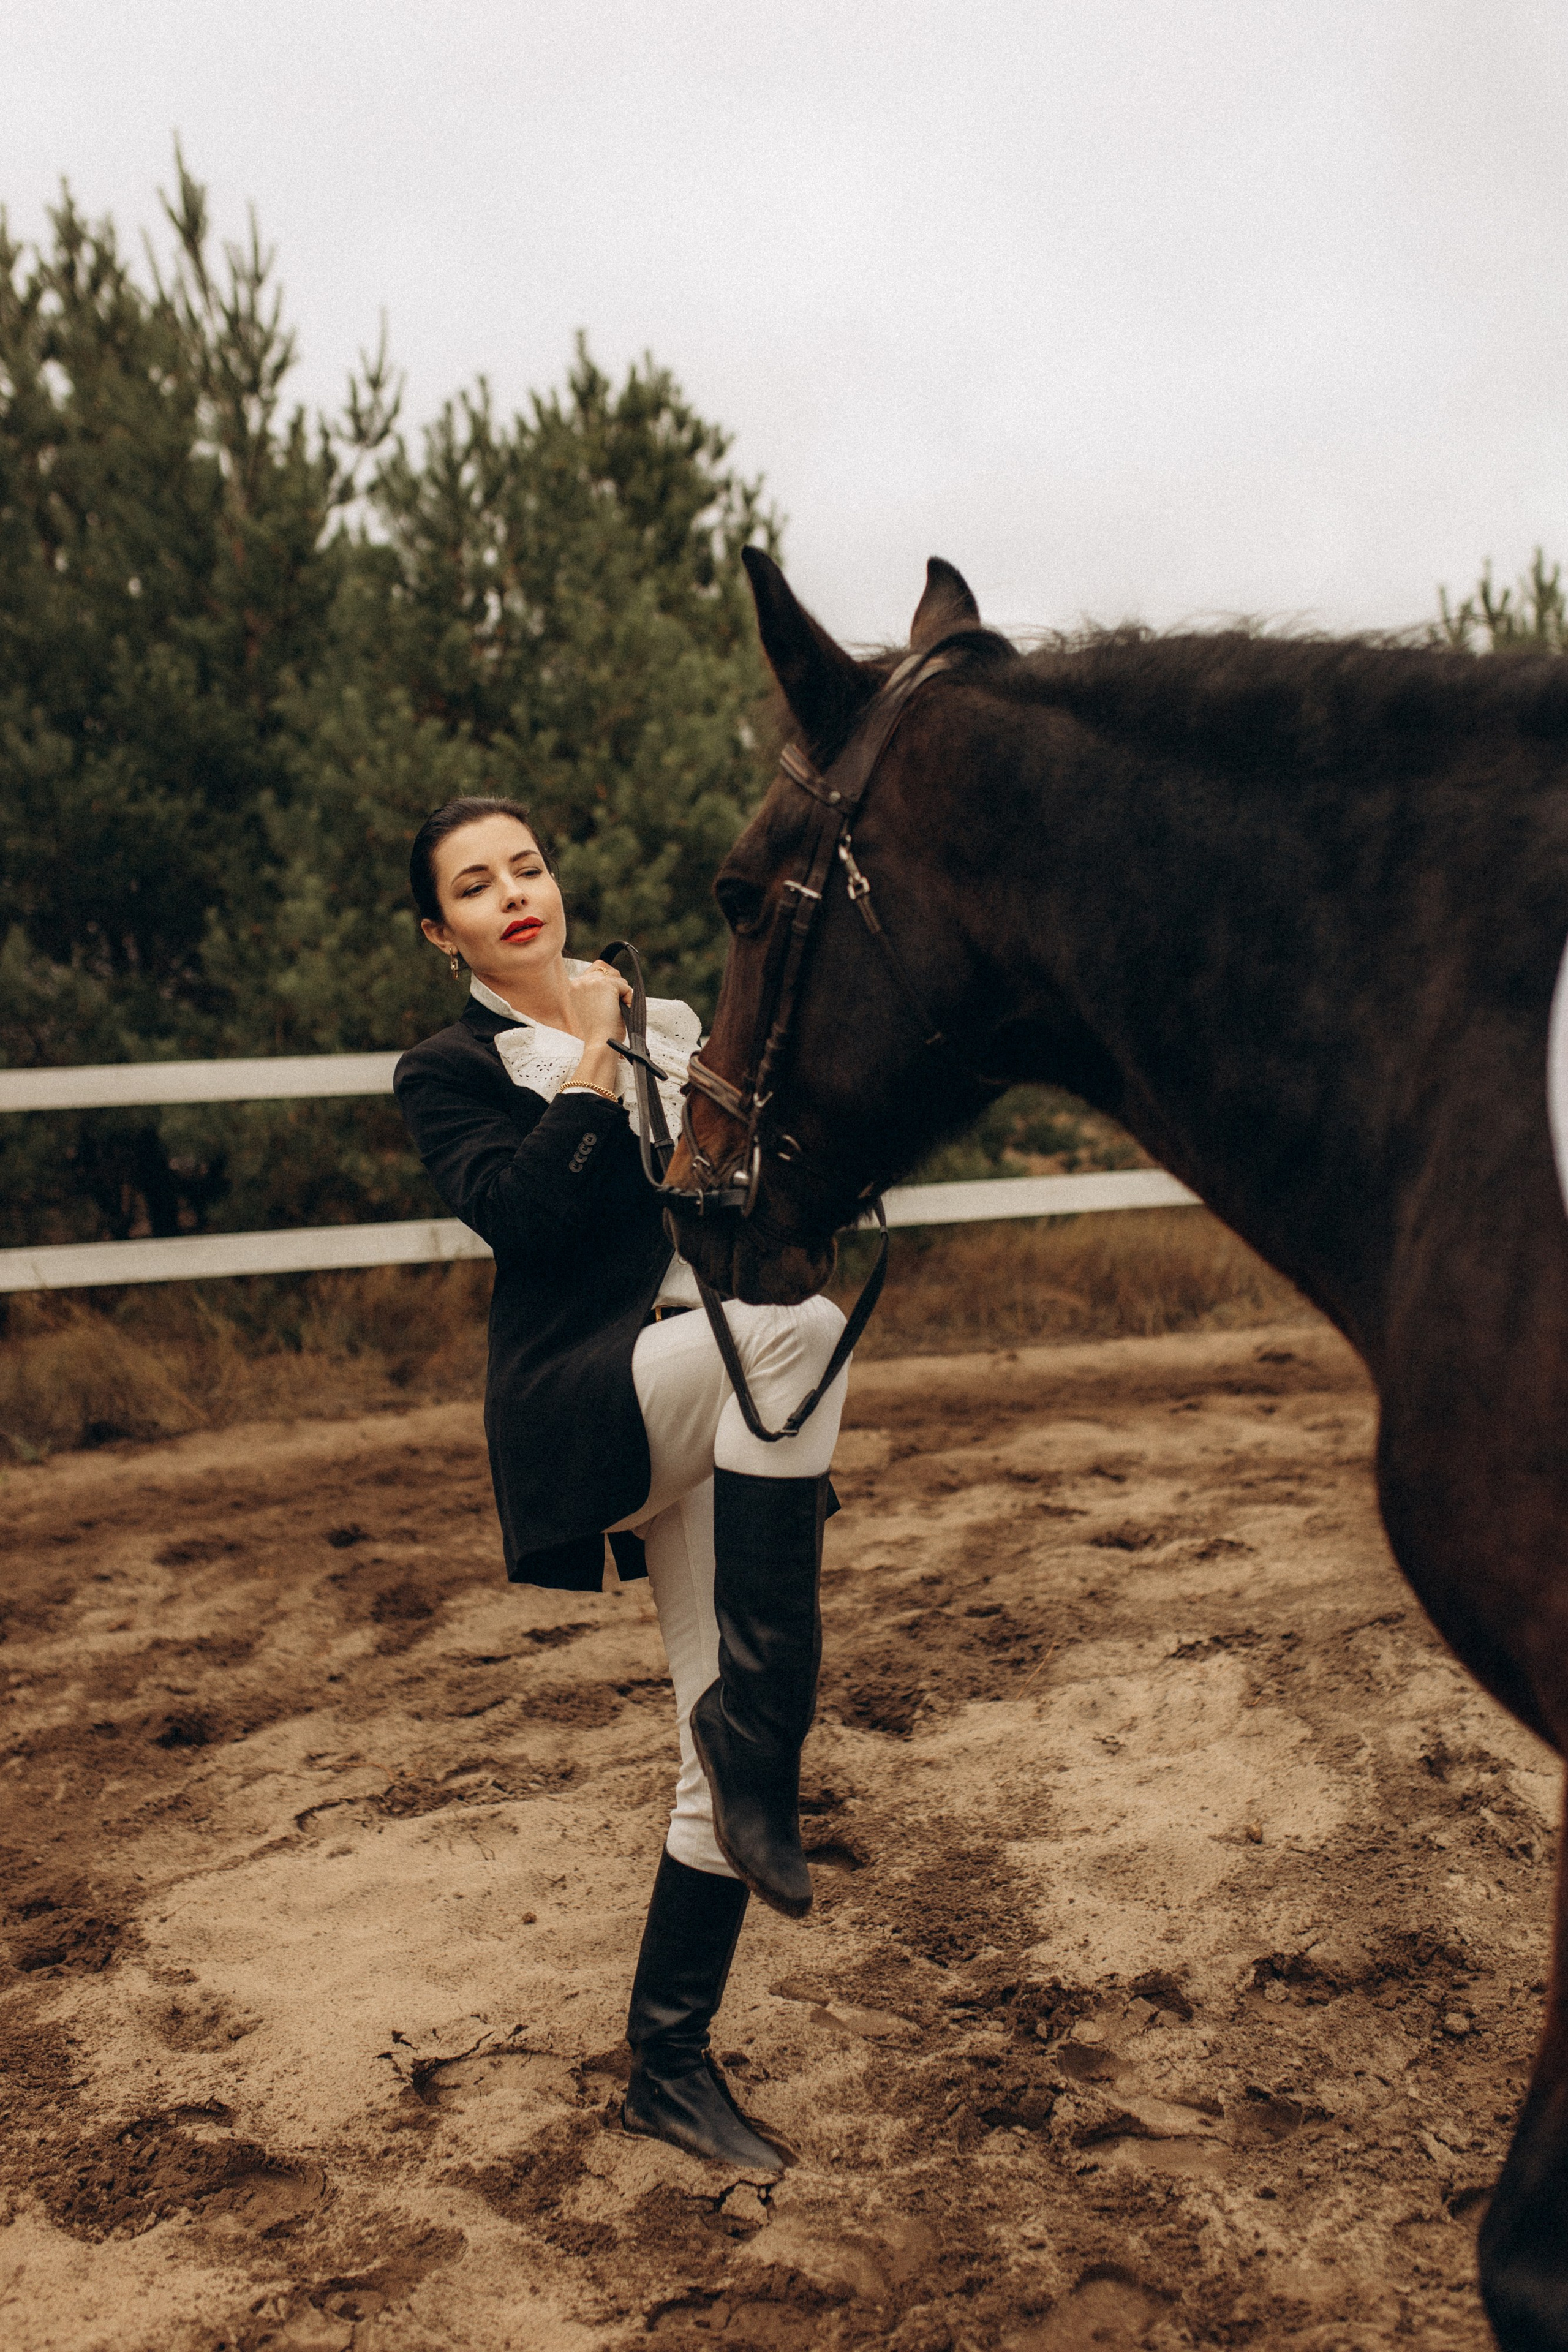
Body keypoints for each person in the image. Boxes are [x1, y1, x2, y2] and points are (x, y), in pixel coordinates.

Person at [393, 796, 849, 2176]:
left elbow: (738, 1188)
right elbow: (525, 1219)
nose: (515, 895)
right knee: (801, 1337)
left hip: (711, 1405)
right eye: (477, 886)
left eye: (527, 866)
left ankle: (668, 2066)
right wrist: (595, 1059)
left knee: (720, 1757)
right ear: (442, 934)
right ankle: (764, 1714)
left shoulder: (672, 1027)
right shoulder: (447, 1069)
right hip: (585, 1403)